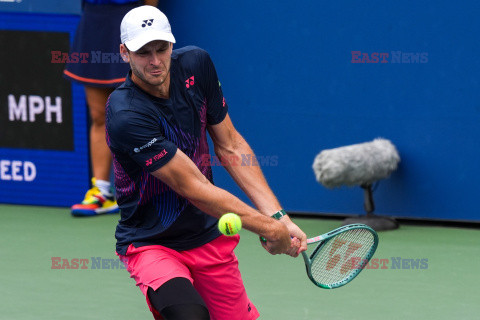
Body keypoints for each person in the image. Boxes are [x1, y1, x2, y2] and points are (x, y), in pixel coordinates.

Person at [106, 5, 308, 320]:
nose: (156, 61)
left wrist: (278, 217)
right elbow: (194, 188)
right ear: (124, 52)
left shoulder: (197, 64)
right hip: (152, 243)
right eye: (144, 52)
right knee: (190, 315)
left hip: (208, 237)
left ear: (172, 44)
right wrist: (268, 227)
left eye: (162, 49)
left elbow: (229, 145)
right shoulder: (126, 114)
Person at [64, 0, 158, 217]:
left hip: (132, 21)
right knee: (98, 114)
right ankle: (103, 193)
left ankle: (150, 190)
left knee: (139, 111)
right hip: (94, 20)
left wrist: (147, 21)